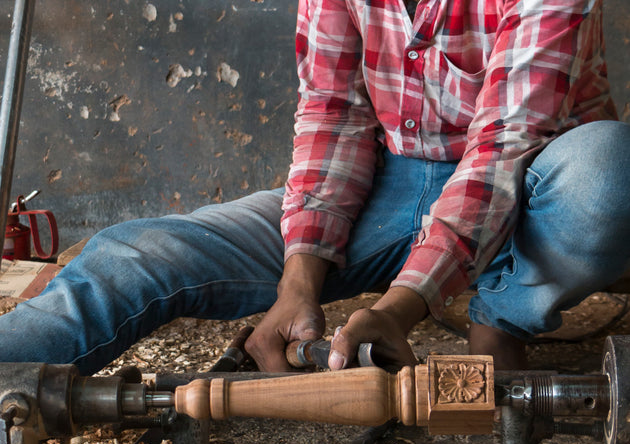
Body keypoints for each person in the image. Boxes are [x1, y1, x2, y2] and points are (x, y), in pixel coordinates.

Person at [0, 0, 629, 375]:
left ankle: (500, 319)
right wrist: (298, 283)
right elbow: (333, 115)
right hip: (394, 177)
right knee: (136, 254)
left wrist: (395, 310)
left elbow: (502, 148)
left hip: (537, 185)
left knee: (610, 173)